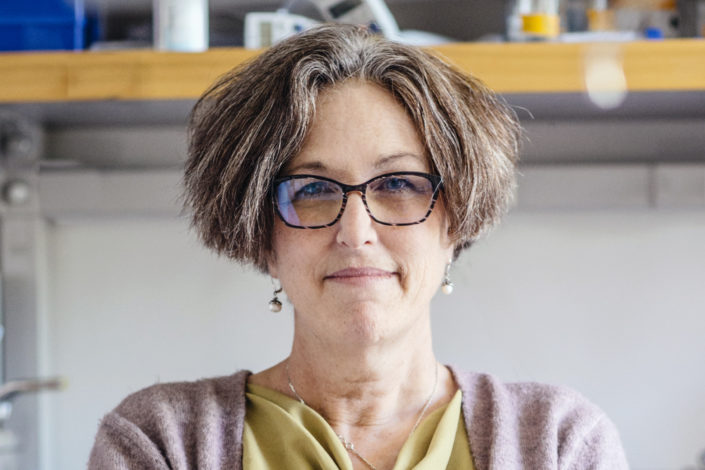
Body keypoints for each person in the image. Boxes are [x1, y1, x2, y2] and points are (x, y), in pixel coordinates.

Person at [88, 24, 629, 470]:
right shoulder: (161, 443)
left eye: (397, 184)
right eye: (313, 190)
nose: (356, 231)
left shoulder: (561, 443)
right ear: (260, 231)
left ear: (455, 221)